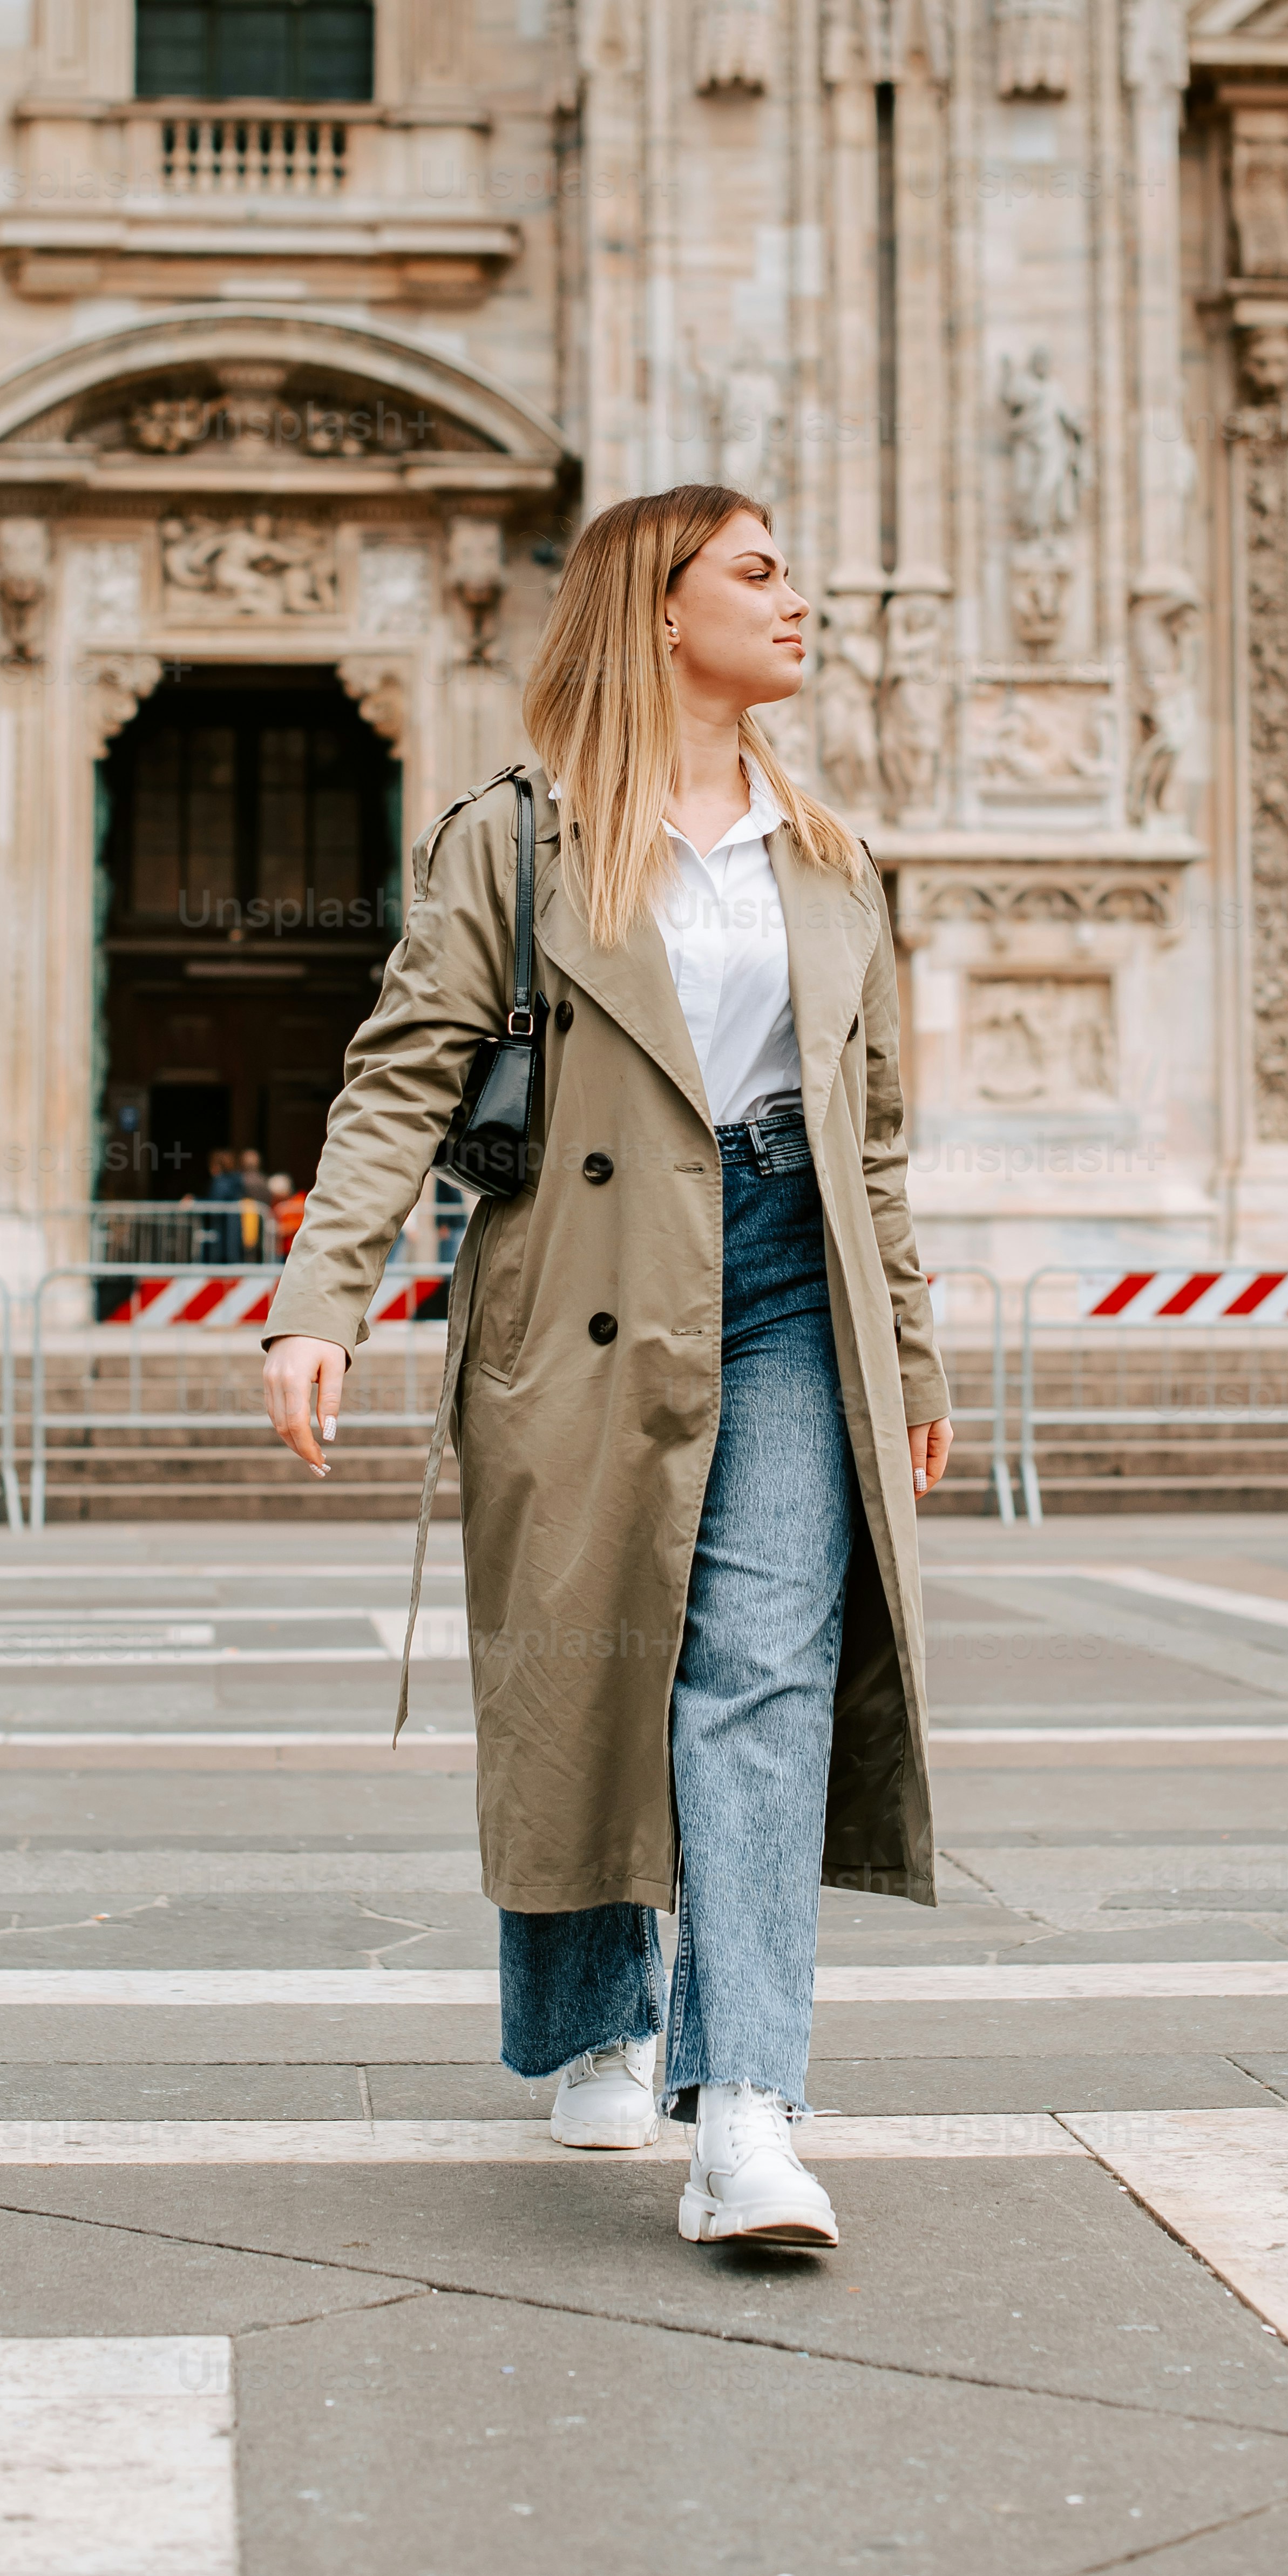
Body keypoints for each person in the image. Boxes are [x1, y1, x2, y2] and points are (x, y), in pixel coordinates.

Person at [261, 485, 952, 2251]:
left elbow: (872, 1140)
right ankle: (598, 2019)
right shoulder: (516, 839)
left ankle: (750, 2110)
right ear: (657, 609)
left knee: (764, 1670)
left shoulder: (827, 854)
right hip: (581, 1273)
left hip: (791, 1273)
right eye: (757, 572)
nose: (798, 599)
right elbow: (404, 1075)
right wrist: (322, 1296)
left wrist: (914, 1353)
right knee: (582, 1663)